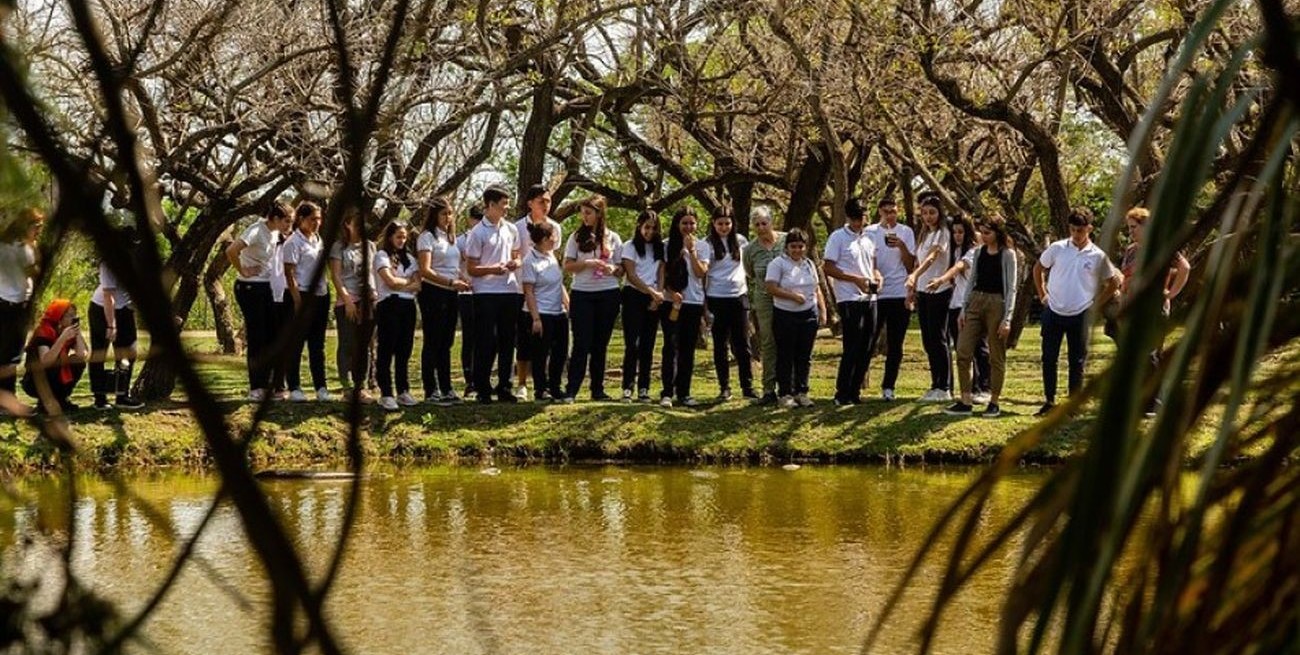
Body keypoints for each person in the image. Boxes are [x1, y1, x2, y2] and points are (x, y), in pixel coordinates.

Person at [1032, 207, 1122, 417]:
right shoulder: (1057, 248)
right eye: (1072, 229)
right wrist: (1042, 294)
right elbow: (1038, 268)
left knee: (1077, 361)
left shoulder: (1098, 256)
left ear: (1089, 229)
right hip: (1054, 310)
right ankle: (1049, 401)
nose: (1076, 234)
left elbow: (1113, 283)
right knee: (1048, 357)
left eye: (1080, 230)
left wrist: (1096, 305)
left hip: (1080, 312)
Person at [1117, 206, 1190, 417]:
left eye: (1134, 227)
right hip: (1133, 309)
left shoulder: (1162, 247)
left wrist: (1170, 294)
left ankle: (1155, 404)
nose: (1131, 232)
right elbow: (1125, 282)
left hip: (1153, 309)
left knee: (1151, 355)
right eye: (1129, 228)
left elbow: (1184, 268)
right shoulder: (1131, 251)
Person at [945, 215, 1018, 417]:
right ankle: (965, 400)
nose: (983, 236)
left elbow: (1011, 288)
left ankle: (994, 401)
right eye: (982, 232)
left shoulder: (1008, 254)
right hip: (976, 301)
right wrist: (963, 309)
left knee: (996, 354)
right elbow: (971, 281)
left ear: (998, 233)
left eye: (987, 233)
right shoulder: (978, 252)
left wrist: (1008, 318)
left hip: (997, 303)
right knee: (963, 350)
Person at [227, 202, 292, 401]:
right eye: (286, 221)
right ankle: (256, 387)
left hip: (266, 287)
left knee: (271, 335)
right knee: (257, 336)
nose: (289, 224)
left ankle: (270, 385)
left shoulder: (275, 233)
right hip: (250, 287)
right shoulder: (256, 230)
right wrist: (243, 270)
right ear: (275, 219)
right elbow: (231, 250)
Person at [464, 184, 522, 404]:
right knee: (486, 341)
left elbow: (517, 255)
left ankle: (505, 386)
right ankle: (483, 387)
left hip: (508, 290)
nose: (506, 209)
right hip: (485, 293)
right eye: (502, 205)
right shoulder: (477, 233)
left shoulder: (511, 229)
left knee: (508, 340)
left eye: (507, 204)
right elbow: (471, 269)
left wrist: (514, 263)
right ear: (490, 206)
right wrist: (492, 269)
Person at [562, 195, 623, 402]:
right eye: (583, 212)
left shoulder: (612, 237)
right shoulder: (576, 237)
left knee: (600, 344)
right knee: (581, 343)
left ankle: (597, 389)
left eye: (588, 212)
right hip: (582, 294)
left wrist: (612, 268)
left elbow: (621, 269)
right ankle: (571, 390)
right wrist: (588, 263)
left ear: (599, 214)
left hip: (608, 293)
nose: (584, 216)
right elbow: (568, 265)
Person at [925, 214, 992, 403]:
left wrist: (940, 280)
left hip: (973, 305)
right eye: (954, 232)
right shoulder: (956, 251)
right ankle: (969, 389)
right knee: (963, 351)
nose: (957, 236)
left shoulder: (974, 251)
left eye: (961, 232)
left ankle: (985, 387)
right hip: (956, 305)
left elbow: (959, 268)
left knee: (979, 347)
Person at [823, 198, 882, 406]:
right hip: (849, 297)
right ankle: (842, 391)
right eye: (856, 219)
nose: (859, 223)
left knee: (867, 346)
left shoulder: (870, 237)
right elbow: (828, 267)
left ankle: (855, 390)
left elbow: (872, 264)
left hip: (870, 298)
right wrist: (854, 279)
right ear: (848, 217)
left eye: (863, 218)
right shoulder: (838, 237)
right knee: (852, 345)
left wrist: (877, 277)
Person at [417, 197, 471, 405]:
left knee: (446, 342)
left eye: (450, 213)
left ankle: (447, 387)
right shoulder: (426, 237)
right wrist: (450, 282)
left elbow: (454, 265)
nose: (448, 218)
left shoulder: (451, 238)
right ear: (434, 215)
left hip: (451, 293)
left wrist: (462, 279)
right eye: (443, 213)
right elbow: (425, 270)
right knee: (433, 340)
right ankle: (431, 389)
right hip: (433, 291)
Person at [764, 228, 827, 408]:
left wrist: (822, 310)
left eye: (800, 246)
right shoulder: (778, 264)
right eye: (793, 246)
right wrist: (792, 296)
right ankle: (784, 393)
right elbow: (771, 288)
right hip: (785, 314)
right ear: (787, 247)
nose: (797, 250)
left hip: (808, 314)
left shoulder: (808, 264)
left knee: (804, 356)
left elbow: (816, 288)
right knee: (786, 355)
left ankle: (802, 391)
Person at [512, 185, 562, 402]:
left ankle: (549, 385)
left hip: (546, 288)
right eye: (541, 201)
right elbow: (515, 254)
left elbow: (553, 262)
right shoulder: (516, 228)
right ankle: (522, 383)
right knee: (524, 343)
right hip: (521, 287)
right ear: (530, 202)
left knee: (551, 345)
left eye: (548, 201)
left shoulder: (555, 228)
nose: (546, 205)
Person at [87, 227, 146, 410]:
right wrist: (111, 326)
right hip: (102, 310)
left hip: (125, 309)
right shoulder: (108, 263)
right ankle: (100, 398)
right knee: (100, 352)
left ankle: (122, 395)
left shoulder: (135, 260)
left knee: (129, 353)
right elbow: (108, 296)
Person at [701, 208, 755, 401]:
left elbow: (749, 266)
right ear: (713, 223)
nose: (724, 227)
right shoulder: (706, 244)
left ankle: (747, 387)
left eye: (727, 223)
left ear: (732, 223)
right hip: (716, 297)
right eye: (720, 223)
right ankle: (724, 387)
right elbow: (703, 274)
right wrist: (705, 306)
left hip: (739, 297)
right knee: (720, 345)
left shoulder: (741, 241)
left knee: (742, 344)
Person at [865, 197, 916, 401]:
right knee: (869, 340)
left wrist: (902, 246)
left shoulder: (906, 232)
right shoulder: (870, 232)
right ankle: (858, 380)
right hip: (877, 293)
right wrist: (875, 274)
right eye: (886, 211)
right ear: (879, 211)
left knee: (896, 344)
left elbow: (911, 264)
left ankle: (889, 387)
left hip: (899, 292)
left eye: (893, 211)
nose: (890, 215)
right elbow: (867, 260)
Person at [282, 201, 332, 402]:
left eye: (319, 219)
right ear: (301, 219)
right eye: (313, 219)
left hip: (320, 294)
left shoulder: (318, 239)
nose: (317, 223)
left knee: (317, 345)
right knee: (296, 343)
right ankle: (294, 386)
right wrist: (297, 301)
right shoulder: (293, 242)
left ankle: (321, 387)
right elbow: (290, 273)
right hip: (300, 294)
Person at [905, 195, 953, 402]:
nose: (928, 217)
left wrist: (914, 275)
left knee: (938, 338)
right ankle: (935, 384)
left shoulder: (942, 234)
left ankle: (945, 386)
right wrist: (912, 288)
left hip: (939, 291)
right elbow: (918, 262)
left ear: (939, 213)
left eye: (932, 212)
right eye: (924, 213)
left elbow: (932, 258)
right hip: (924, 292)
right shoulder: (924, 235)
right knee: (928, 340)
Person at [661, 207, 709, 407]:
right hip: (671, 301)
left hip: (693, 302)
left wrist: (692, 251)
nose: (688, 227)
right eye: (684, 223)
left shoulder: (703, 246)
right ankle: (667, 393)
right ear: (677, 225)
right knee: (670, 345)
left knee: (688, 349)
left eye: (692, 223)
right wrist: (670, 292)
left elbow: (700, 273)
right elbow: (661, 273)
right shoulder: (665, 245)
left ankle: (684, 392)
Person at [329, 208, 377, 403]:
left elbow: (373, 272)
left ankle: (362, 386)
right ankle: (347, 388)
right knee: (347, 344)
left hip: (368, 301)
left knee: (364, 345)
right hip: (347, 300)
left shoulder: (370, 246)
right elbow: (336, 276)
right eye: (356, 223)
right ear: (347, 224)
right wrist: (347, 300)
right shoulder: (339, 247)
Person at [373, 220, 421, 411]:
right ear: (390, 237)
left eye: (404, 237)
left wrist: (405, 283)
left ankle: (403, 390)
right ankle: (386, 392)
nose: (401, 240)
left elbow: (418, 284)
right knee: (386, 348)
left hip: (408, 305)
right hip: (389, 304)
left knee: (404, 350)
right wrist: (407, 282)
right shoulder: (381, 256)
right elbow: (389, 282)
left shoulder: (410, 258)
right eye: (398, 236)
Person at [619, 210, 666, 403]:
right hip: (634, 296)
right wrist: (651, 292)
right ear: (639, 227)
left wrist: (659, 294)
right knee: (633, 344)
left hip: (654, 297)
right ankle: (627, 387)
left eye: (653, 229)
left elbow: (662, 272)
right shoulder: (629, 246)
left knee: (648, 344)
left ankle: (644, 388)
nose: (649, 232)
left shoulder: (659, 248)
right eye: (646, 227)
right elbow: (630, 275)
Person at [521, 222, 569, 402]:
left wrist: (567, 303)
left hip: (558, 312)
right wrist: (536, 318)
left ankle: (555, 386)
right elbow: (529, 291)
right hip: (541, 312)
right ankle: (541, 389)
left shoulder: (552, 256)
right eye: (552, 237)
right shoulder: (529, 260)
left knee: (560, 352)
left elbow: (559, 284)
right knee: (540, 353)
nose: (555, 240)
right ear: (543, 240)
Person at [1, 208, 43, 410]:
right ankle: (8, 401)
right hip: (16, 306)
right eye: (37, 227)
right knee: (12, 356)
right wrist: (35, 249)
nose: (39, 231)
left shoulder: (4, 245)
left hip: (3, 301)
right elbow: (36, 273)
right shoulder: (23, 249)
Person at [743, 207, 786, 405]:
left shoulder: (786, 240)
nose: (761, 227)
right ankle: (769, 389)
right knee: (768, 342)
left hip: (788, 297)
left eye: (764, 223)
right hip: (764, 299)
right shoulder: (750, 249)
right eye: (757, 224)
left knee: (789, 341)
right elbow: (751, 273)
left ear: (772, 221)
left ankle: (790, 387)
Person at [22, 299, 88, 414]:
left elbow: (83, 354)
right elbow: (46, 361)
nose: (73, 318)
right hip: (35, 380)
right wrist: (62, 339)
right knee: (56, 362)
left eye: (75, 315)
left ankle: (61, 399)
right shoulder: (44, 331)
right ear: (59, 317)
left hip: (57, 374)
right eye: (70, 315)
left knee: (78, 361)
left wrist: (77, 334)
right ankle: (45, 401)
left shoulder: (67, 331)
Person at [456, 204, 483, 399]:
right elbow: (452, 264)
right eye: (476, 218)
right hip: (466, 294)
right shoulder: (460, 241)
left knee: (488, 337)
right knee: (470, 338)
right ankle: (470, 381)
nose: (478, 222)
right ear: (469, 219)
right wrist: (462, 277)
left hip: (486, 292)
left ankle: (483, 378)